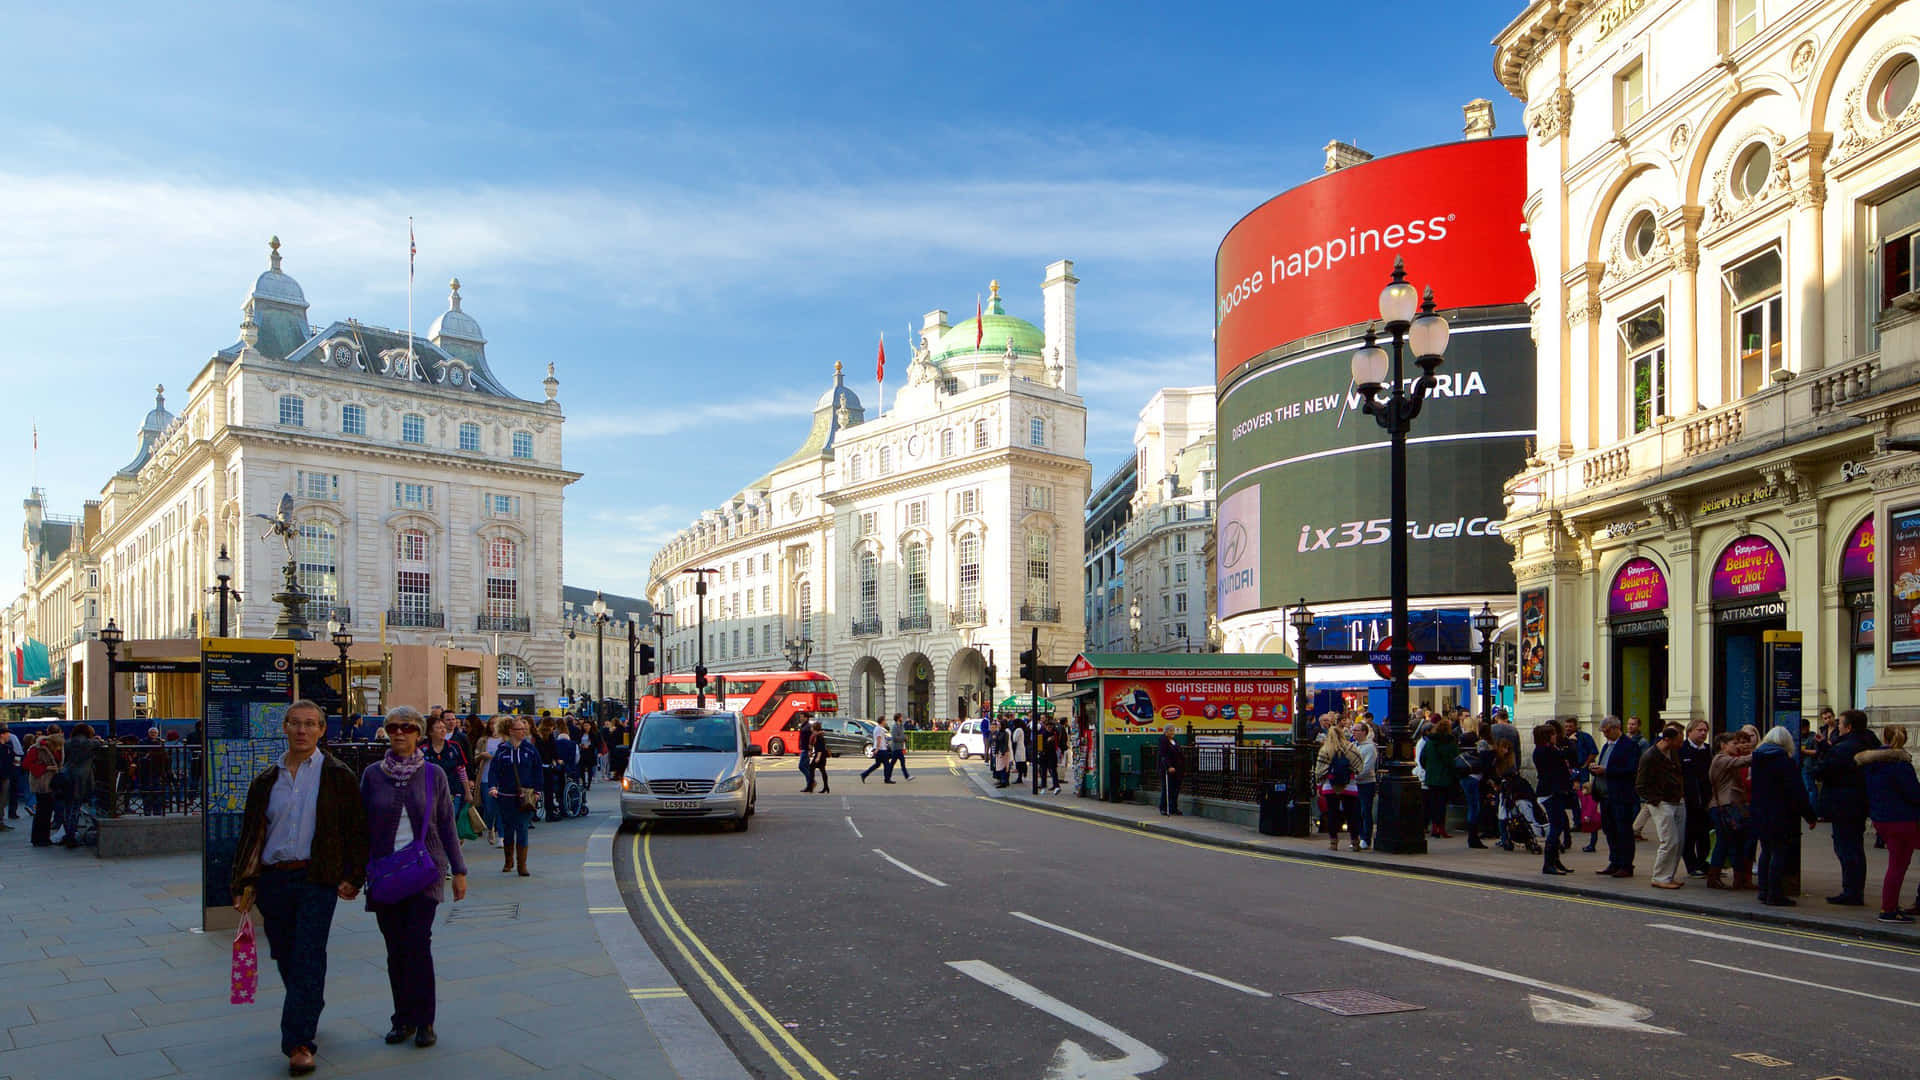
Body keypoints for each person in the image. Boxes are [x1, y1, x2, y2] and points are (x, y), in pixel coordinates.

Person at [230, 700, 369, 1077]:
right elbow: (252, 835)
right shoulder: (266, 780)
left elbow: (356, 829)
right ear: (285, 728)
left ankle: (299, 1042)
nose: (303, 731)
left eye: (311, 724)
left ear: (322, 730)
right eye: (296, 724)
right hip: (275, 879)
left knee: (307, 953)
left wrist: (354, 876)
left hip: (316, 878)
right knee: (286, 955)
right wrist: (244, 881)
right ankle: (308, 1003)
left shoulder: (337, 775)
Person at [360, 707, 467, 1048]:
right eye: (393, 727)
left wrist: (459, 870)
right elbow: (361, 827)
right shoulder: (372, 775)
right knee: (395, 950)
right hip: (385, 873)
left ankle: (425, 1022)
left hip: (425, 872)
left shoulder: (434, 775)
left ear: (418, 733)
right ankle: (401, 1019)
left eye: (407, 727)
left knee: (418, 945)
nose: (399, 733)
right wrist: (352, 873)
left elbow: (447, 826)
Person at [1815, 709, 1880, 906]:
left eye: (1841, 723)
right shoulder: (1868, 742)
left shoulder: (1844, 748)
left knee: (1846, 847)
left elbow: (1824, 770)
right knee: (1855, 846)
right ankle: (1854, 889)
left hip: (1843, 803)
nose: (1838, 726)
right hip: (1859, 802)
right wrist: (1826, 748)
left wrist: (1823, 753)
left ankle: (1851, 891)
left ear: (1849, 727)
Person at [1857, 726, 1920, 922]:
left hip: (1881, 818)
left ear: (1883, 738)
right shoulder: (1901, 766)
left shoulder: (1871, 764)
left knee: (1896, 864)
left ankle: (1891, 906)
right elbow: (1914, 795)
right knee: (1898, 866)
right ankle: (1888, 909)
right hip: (1902, 820)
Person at [1750, 724, 1816, 907]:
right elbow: (1797, 791)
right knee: (1779, 853)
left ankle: (1763, 890)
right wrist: (1810, 816)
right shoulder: (1785, 761)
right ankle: (1775, 893)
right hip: (1779, 814)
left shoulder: (1757, 758)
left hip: (1760, 813)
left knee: (1766, 851)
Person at [485, 716, 543, 877]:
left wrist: (538, 790)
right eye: (519, 729)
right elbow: (494, 771)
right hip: (505, 796)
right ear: (511, 731)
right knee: (508, 829)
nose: (523, 732)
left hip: (525, 797)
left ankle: (522, 865)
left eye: (524, 729)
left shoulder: (530, 749)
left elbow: (537, 770)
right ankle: (508, 860)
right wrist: (492, 787)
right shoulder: (503, 750)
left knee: (522, 828)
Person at [1637, 724, 1687, 889]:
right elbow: (1640, 785)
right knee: (1669, 841)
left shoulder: (1673, 752)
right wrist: (1656, 800)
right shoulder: (1650, 756)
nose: (1681, 745)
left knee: (1678, 842)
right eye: (1678, 742)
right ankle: (1660, 877)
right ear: (1667, 739)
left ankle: (1669, 876)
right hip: (1661, 803)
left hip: (1677, 800)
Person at [1706, 731, 1755, 890]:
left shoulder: (1726, 759)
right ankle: (1715, 877)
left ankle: (1737, 878)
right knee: (1725, 842)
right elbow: (1742, 761)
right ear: (1723, 745)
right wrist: (1762, 752)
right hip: (1723, 807)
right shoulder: (1721, 759)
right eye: (1734, 743)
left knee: (1732, 842)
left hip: (1728, 806)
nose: (1738, 746)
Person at [1597, 716, 1642, 877]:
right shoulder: (1606, 746)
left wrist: (1606, 771)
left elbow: (1632, 770)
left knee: (1623, 831)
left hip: (1621, 795)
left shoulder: (1629, 746)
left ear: (1616, 728)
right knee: (1610, 830)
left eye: (1607, 731)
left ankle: (1626, 864)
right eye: (1603, 732)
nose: (1605, 735)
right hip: (1605, 796)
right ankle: (1614, 861)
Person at [1532, 724, 1575, 875]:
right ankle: (1549, 863)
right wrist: (1570, 741)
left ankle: (1556, 861)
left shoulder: (1547, 750)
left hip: (1554, 791)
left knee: (1559, 825)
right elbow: (1568, 753)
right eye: (1553, 734)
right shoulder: (1544, 751)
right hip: (1550, 792)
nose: (1556, 736)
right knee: (1555, 828)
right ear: (1547, 737)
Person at [423, 713, 471, 841]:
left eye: (444, 727)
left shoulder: (454, 747)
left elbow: (461, 770)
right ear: (430, 732)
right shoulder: (423, 750)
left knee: (449, 821)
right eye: (439, 728)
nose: (443, 730)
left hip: (453, 791)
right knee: (433, 823)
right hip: (430, 793)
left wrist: (467, 792)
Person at [1317, 724, 1363, 851]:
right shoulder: (1351, 747)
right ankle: (1355, 842)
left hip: (1330, 786)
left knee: (1332, 814)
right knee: (1351, 814)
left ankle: (1333, 842)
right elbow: (1359, 765)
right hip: (1349, 785)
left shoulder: (1325, 749)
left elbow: (1319, 770)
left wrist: (1320, 782)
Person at [1678, 719, 1713, 878]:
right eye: (1699, 730)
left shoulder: (1708, 750)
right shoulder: (1682, 750)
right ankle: (1692, 866)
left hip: (1706, 801)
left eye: (1705, 730)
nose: (1703, 733)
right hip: (1688, 801)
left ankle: (1704, 864)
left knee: (1705, 835)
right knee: (1689, 835)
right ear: (1689, 732)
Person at [59, 723, 99, 848]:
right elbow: (99, 744)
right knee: (79, 805)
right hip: (83, 777)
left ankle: (69, 833)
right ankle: (76, 833)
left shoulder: (67, 743)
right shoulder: (90, 743)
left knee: (68, 806)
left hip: (67, 776)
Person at [1417, 717, 1457, 840]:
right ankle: (1442, 828)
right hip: (1445, 776)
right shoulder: (1450, 743)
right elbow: (1453, 760)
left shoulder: (1429, 742)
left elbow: (1422, 758)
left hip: (1432, 777)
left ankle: (1434, 827)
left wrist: (1429, 769)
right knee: (1442, 803)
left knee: (1433, 803)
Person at [26, 729, 64, 846]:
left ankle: (43, 838)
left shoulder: (50, 749)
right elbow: (27, 764)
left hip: (50, 783)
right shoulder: (36, 749)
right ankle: (39, 838)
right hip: (41, 783)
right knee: (42, 812)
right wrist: (46, 768)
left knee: (46, 812)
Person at [1350, 721, 1378, 850]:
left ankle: (1366, 839)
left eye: (1356, 730)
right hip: (1355, 784)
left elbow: (1367, 767)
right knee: (1356, 812)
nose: (1353, 732)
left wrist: (1355, 775)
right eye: (1353, 730)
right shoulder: (1353, 745)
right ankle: (1359, 837)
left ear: (1364, 732)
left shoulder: (1370, 747)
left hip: (1366, 783)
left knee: (1365, 811)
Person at [1158, 726, 1182, 816]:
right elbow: (1163, 755)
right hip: (1167, 768)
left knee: (1175, 789)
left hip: (1177, 768)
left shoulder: (1175, 741)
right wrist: (1169, 766)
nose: (1173, 732)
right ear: (1166, 732)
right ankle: (1163, 808)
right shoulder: (1163, 741)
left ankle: (1173, 808)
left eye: (1173, 730)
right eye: (1171, 730)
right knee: (1167, 788)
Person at [1036, 719, 1061, 794]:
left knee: (1053, 771)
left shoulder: (1055, 733)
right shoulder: (1041, 734)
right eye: (1048, 727)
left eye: (1051, 727)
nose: (1049, 728)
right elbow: (1039, 746)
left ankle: (1056, 786)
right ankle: (1043, 787)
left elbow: (1057, 744)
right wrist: (1047, 741)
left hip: (1052, 755)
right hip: (1044, 755)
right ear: (1045, 727)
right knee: (1043, 771)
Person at [807, 719, 831, 794]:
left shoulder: (818, 736)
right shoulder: (819, 735)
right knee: (823, 771)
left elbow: (820, 748)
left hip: (819, 756)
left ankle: (811, 786)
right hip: (822, 756)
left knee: (811, 768)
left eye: (811, 727)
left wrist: (818, 757)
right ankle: (826, 787)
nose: (810, 728)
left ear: (814, 729)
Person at [890, 713, 914, 783]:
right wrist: (904, 738)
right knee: (897, 763)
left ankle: (888, 776)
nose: (902, 718)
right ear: (898, 718)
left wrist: (905, 738)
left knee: (895, 763)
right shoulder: (894, 726)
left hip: (899, 747)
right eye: (901, 717)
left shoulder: (901, 726)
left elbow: (901, 735)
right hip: (896, 748)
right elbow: (894, 738)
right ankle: (906, 776)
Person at [796, 713, 817, 792]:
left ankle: (811, 781)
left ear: (806, 718)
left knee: (801, 766)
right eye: (800, 717)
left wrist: (810, 750)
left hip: (805, 750)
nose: (800, 718)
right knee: (807, 767)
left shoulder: (807, 727)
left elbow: (810, 739)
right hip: (804, 749)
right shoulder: (804, 726)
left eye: (802, 717)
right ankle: (809, 786)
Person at [1010, 719, 1029, 783]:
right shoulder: (1020, 729)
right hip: (1020, 748)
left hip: (1019, 748)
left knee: (1019, 763)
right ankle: (1019, 777)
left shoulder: (1018, 730)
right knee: (1020, 762)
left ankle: (1019, 778)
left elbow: (1014, 739)